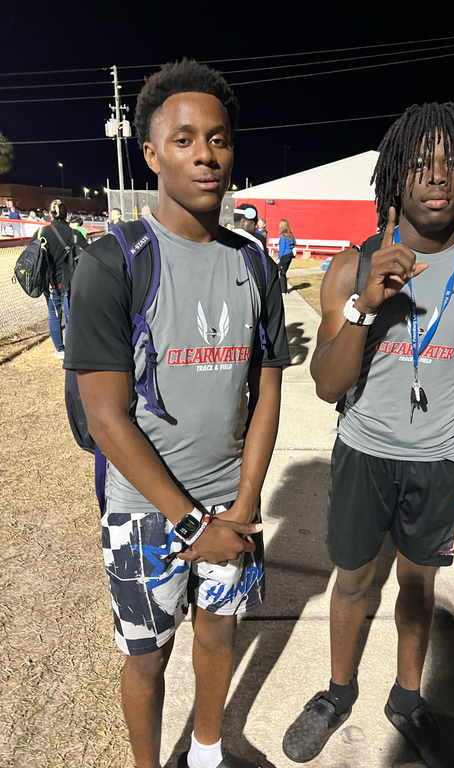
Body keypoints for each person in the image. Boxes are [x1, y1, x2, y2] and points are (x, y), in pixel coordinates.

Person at [63, 59, 289, 768]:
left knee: (218, 635)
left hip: (232, 506)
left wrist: (243, 505)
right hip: (144, 515)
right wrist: (193, 525)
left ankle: (207, 751)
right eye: (184, 139)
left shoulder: (255, 265)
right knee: (147, 657)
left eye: (218, 139)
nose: (205, 155)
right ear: (152, 154)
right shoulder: (112, 262)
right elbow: (107, 418)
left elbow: (267, 391)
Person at [282, 102, 454, 766]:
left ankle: (407, 700)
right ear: (394, 175)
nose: (436, 176)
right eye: (420, 163)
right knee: (353, 582)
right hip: (363, 456)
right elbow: (326, 384)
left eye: (452, 163)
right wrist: (365, 307)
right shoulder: (350, 269)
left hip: (438, 466)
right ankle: (337, 693)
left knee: (418, 586)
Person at [31, 200, 86, 359]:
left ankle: (59, 350)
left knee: (54, 316)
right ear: (66, 214)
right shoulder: (74, 234)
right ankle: (70, 350)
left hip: (50, 283)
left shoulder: (42, 232)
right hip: (70, 282)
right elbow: (88, 253)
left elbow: (31, 253)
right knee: (70, 317)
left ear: (50, 214)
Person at [277, 218, 296, 294]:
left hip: (284, 256)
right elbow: (294, 243)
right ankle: (284, 290)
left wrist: (279, 258)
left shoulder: (283, 236)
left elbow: (282, 248)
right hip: (290, 255)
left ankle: (283, 290)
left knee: (281, 273)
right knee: (283, 272)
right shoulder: (290, 235)